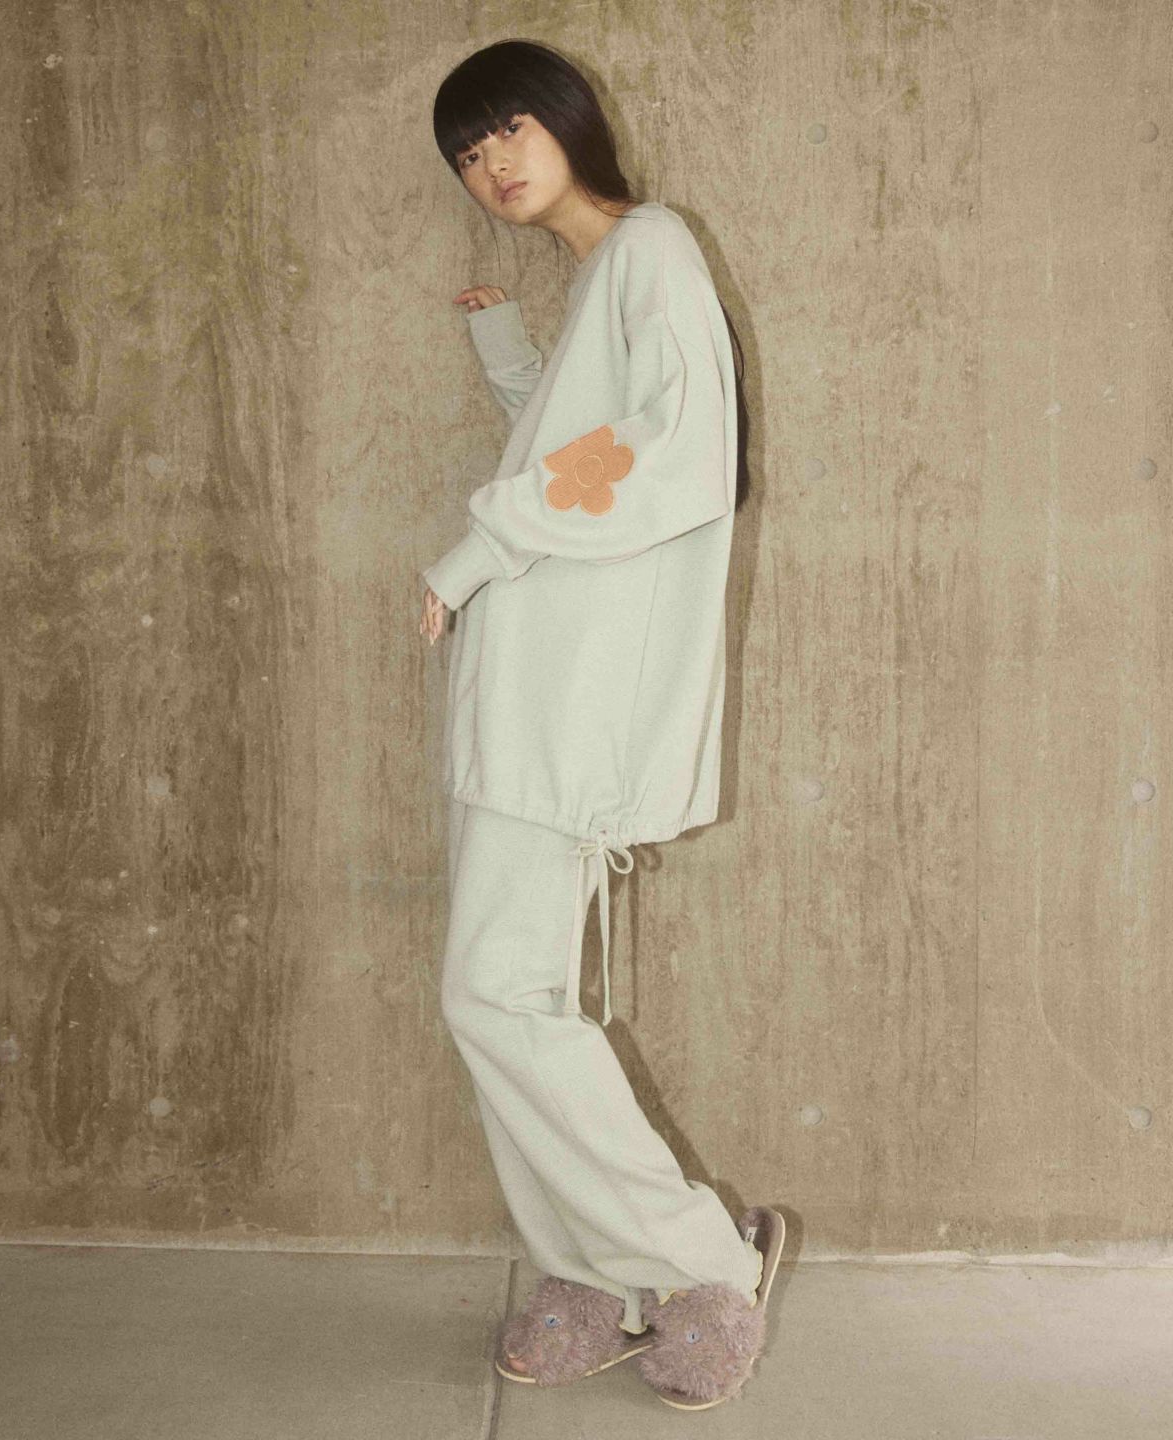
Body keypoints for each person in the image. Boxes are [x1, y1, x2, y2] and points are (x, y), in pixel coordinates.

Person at [419, 39, 784, 1410]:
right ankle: (592, 1264)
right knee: (507, 993)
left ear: (569, 118)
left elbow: (671, 455)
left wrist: (473, 552)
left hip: (572, 697)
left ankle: (699, 1261)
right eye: (469, 155)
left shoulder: (653, 247)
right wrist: (506, 354)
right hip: (528, 690)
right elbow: (580, 447)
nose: (492, 166)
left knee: (496, 994)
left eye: (507, 130)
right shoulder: (602, 281)